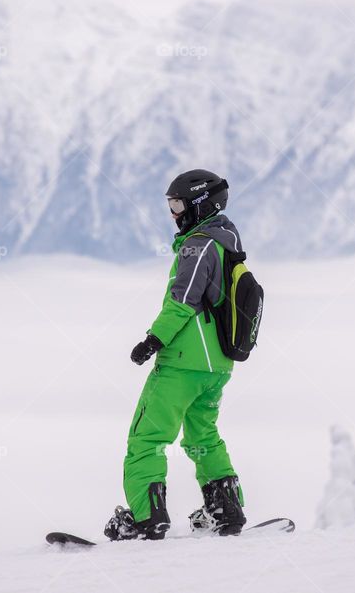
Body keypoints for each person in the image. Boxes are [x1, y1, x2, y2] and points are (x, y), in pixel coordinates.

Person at [104, 169, 247, 541]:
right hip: (217, 366)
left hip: (183, 361)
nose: (173, 212)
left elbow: (182, 301)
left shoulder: (197, 245)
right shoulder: (226, 242)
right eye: (170, 204)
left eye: (178, 204)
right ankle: (226, 510)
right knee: (203, 436)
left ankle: (147, 518)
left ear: (200, 204)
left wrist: (152, 341)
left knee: (146, 438)